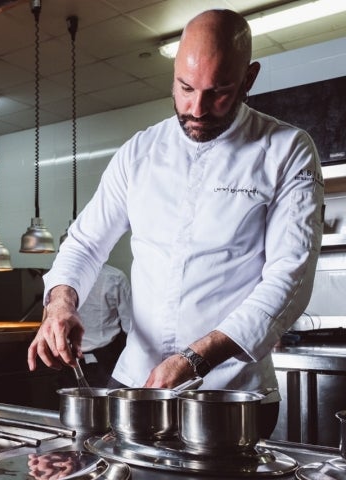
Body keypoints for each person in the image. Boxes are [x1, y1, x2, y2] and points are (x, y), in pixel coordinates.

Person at [28, 8, 324, 439]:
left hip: (228, 395)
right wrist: (60, 304)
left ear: (249, 78)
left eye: (219, 92)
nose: (197, 109)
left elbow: (289, 277)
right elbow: (86, 243)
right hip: (135, 384)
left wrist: (194, 359)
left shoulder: (287, 149)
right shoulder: (140, 151)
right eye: (185, 88)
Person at [58, 263, 132, 388]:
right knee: (105, 405)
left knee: (70, 404)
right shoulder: (115, 277)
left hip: (67, 357)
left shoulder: (59, 278)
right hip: (105, 358)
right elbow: (129, 326)